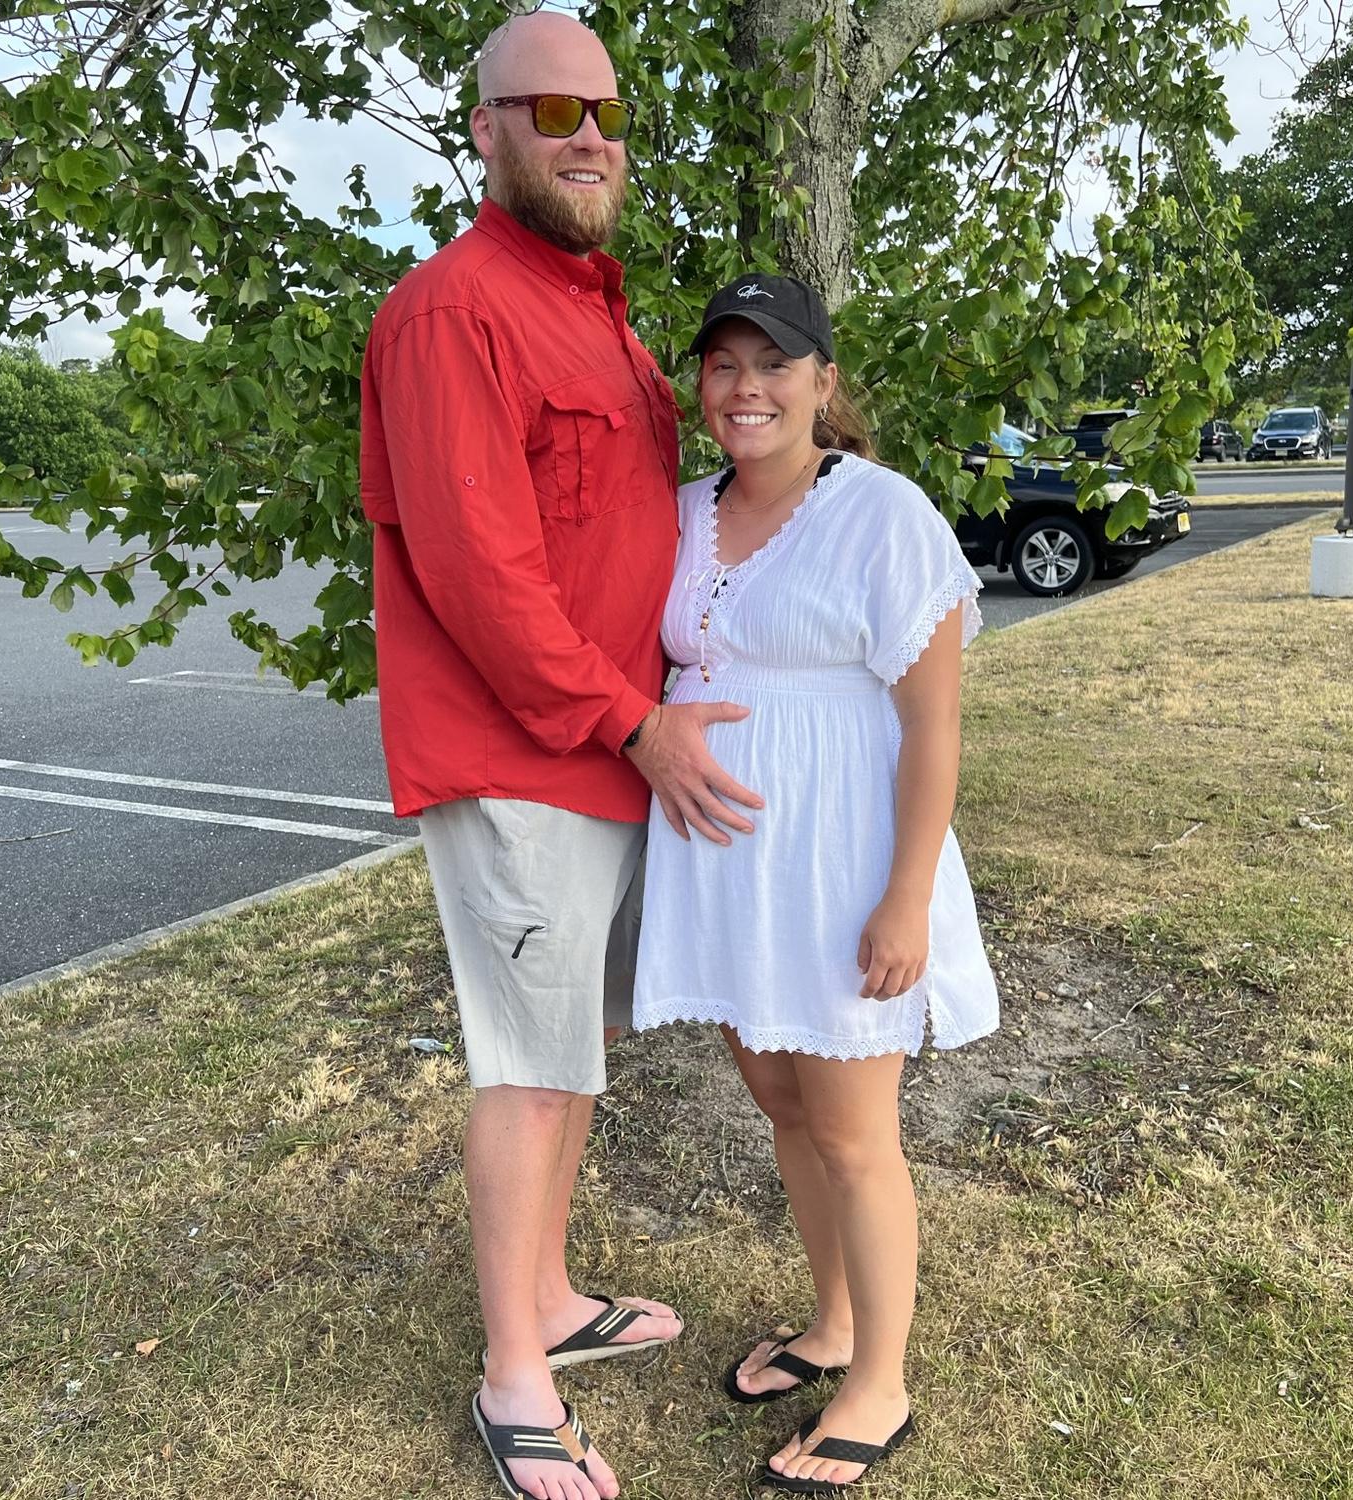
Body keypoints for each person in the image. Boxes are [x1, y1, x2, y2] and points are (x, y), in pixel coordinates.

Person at [358, 14, 762, 1500]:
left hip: (609, 754)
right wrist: (636, 723)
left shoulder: (599, 313)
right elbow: (482, 577)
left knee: (572, 1047)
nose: (588, 135)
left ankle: (546, 1297)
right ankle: (512, 1380)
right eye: (550, 109)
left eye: (607, 111)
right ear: (487, 132)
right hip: (530, 757)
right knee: (528, 1070)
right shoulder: (452, 312)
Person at [633, 274, 1000, 1494]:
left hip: (841, 867)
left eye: (775, 364)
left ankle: (879, 1382)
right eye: (724, 364)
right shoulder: (681, 512)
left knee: (852, 1133)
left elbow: (933, 728)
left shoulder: (882, 514)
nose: (747, 388)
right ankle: (835, 1323)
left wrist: (906, 897)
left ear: (823, 382)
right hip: (731, 874)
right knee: (782, 1102)